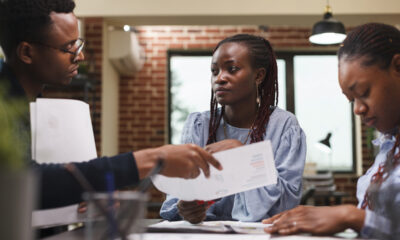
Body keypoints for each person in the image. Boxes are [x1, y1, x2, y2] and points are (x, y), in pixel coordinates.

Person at [0, 0, 225, 210]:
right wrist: (150, 160)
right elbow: (24, 183)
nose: (80, 57)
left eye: (78, 44)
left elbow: (43, 190)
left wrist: (83, 195)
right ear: (27, 52)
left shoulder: (27, 102)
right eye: (69, 48)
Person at [263, 23, 400, 239]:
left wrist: (352, 216)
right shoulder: (390, 144)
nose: (357, 109)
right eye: (351, 100)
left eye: (363, 92)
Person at [160, 34, 307, 223]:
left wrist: (243, 155)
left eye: (232, 69)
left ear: (258, 75)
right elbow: (178, 193)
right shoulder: (199, 125)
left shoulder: (283, 126)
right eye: (214, 71)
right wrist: (184, 207)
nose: (220, 78)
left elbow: (286, 203)